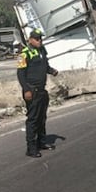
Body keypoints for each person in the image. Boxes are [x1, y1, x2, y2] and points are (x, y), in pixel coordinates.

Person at [17, 28, 59, 158]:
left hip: (42, 90)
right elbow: (20, 74)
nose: (39, 40)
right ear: (30, 39)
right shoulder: (24, 53)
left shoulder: (42, 50)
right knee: (33, 120)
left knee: (42, 118)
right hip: (32, 90)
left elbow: (45, 66)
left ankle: (42, 141)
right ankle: (31, 148)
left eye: (40, 38)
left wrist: (51, 71)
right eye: (36, 38)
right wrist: (26, 90)